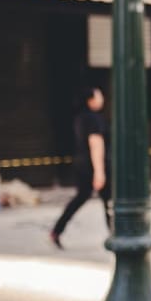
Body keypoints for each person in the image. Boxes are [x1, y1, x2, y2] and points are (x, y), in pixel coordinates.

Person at [49, 86, 111, 249]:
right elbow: (96, 144)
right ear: (90, 100)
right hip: (95, 166)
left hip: (81, 164)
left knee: (81, 198)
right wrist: (100, 172)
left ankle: (57, 230)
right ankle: (115, 235)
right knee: (109, 201)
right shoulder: (93, 119)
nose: (102, 98)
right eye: (99, 96)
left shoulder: (80, 118)